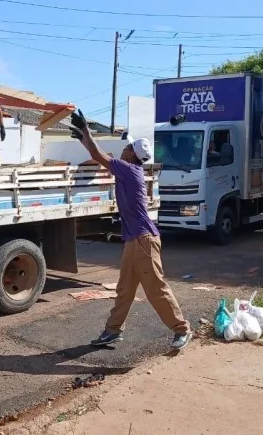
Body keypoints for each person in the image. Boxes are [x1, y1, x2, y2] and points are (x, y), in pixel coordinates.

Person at [69, 109, 192, 351]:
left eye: (127, 146)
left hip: (144, 241)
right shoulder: (130, 169)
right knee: (124, 289)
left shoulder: (129, 169)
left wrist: (85, 129)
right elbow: (98, 153)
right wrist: (82, 137)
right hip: (133, 241)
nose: (123, 148)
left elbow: (98, 154)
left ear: (133, 154)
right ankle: (113, 331)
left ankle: (182, 329)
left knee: (156, 288)